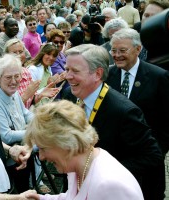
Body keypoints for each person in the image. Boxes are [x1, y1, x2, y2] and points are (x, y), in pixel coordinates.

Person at [62, 44, 163, 199]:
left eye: (75, 71)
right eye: (67, 69)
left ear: (97, 74)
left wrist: (100, 171)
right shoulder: (70, 94)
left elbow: (151, 156)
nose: (67, 76)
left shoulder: (124, 111)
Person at [24, 100, 144, 200]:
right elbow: (73, 197)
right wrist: (40, 198)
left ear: (65, 143)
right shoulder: (77, 166)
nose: (41, 157)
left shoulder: (109, 185)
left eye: (43, 148)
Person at [107, 28, 169, 200]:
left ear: (138, 49)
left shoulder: (158, 76)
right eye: (114, 50)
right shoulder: (108, 75)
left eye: (122, 51)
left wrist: (158, 149)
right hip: (117, 160)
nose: (117, 55)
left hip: (148, 161)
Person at [0, 54, 51, 194]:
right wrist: (34, 130)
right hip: (12, 158)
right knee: (21, 190)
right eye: (8, 77)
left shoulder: (14, 92)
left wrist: (39, 121)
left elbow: (25, 113)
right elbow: (5, 135)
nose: (14, 81)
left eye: (17, 76)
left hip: (24, 147)